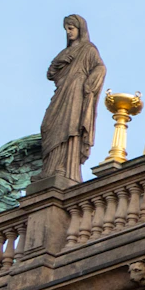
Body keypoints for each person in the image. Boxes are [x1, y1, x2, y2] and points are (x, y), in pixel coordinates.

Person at [37, 15, 106, 191]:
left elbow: (100, 67)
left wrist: (89, 82)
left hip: (76, 91)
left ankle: (64, 168)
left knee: (69, 127)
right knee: (48, 126)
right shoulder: (64, 53)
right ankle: (49, 169)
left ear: (80, 29)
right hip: (62, 92)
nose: (68, 32)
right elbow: (50, 74)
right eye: (66, 29)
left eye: (71, 28)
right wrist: (59, 62)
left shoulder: (88, 49)